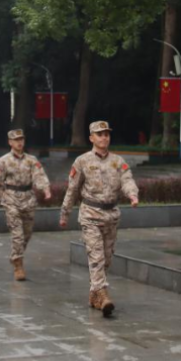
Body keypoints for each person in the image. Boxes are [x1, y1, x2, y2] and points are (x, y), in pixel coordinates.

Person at [59, 121, 138, 317]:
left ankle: (94, 294)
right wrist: (65, 213)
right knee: (96, 257)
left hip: (111, 215)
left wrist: (132, 195)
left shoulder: (118, 161)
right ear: (91, 138)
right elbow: (73, 189)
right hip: (90, 215)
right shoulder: (82, 161)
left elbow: (127, 180)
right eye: (100, 134)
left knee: (107, 258)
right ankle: (102, 295)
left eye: (106, 134)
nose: (104, 137)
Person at [0, 129, 52, 281]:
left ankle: (16, 256)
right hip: (11, 199)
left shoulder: (31, 160)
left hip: (28, 199)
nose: (19, 142)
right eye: (16, 140)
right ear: (10, 142)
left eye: (21, 139)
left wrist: (46, 190)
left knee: (27, 233)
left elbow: (39, 176)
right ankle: (18, 265)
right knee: (17, 234)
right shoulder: (3, 161)